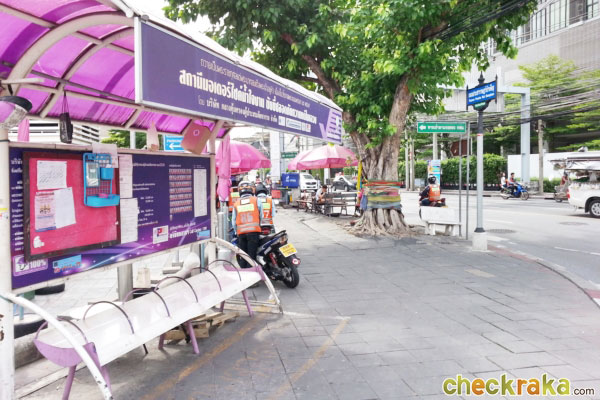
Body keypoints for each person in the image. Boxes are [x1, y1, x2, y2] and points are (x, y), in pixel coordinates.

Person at [231, 181, 263, 268]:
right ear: (251, 190)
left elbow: (233, 221)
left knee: (244, 256)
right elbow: (261, 216)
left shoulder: (236, 203)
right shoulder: (256, 200)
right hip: (253, 233)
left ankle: (243, 272)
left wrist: (236, 231)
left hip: (241, 234)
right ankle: (251, 273)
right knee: (251, 257)